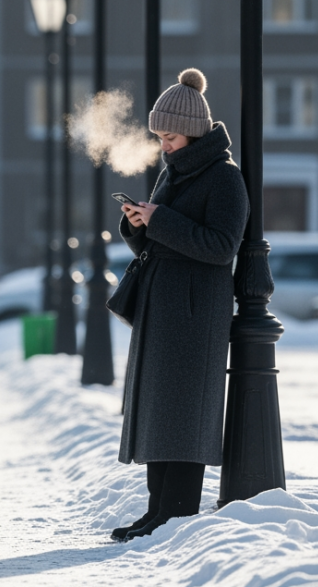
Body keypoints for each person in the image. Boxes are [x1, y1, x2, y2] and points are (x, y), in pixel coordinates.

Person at [111, 68, 249, 541]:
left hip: (194, 316)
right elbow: (163, 241)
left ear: (191, 131)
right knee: (157, 414)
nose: (163, 145)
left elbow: (221, 246)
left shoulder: (225, 178)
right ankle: (156, 513)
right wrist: (138, 224)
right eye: (160, 137)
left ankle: (175, 515)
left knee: (184, 418)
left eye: (169, 137)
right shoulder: (175, 173)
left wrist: (160, 219)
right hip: (164, 309)